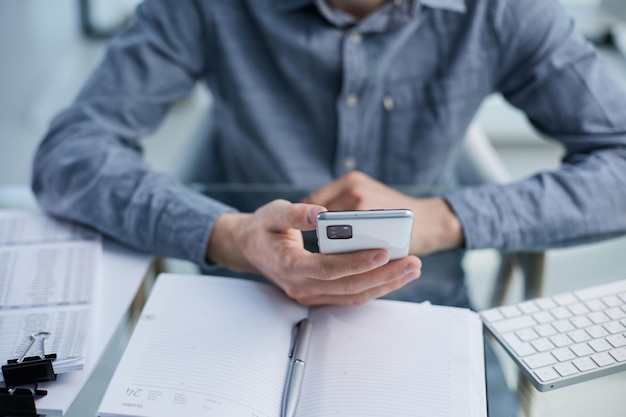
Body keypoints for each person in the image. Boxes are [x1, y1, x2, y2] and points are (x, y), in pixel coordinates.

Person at [32, 0, 626, 414]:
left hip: (424, 306)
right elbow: (70, 152)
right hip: (236, 303)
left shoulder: (502, 10)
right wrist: (229, 235)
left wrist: (445, 218)